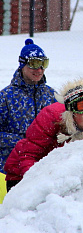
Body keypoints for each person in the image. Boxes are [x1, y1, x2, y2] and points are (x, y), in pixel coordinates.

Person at [0, 38, 56, 173]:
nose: (39, 69)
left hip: (45, 167)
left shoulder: (51, 95)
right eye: (34, 64)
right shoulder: (6, 97)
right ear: (22, 65)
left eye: (43, 64)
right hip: (12, 167)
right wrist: (24, 142)